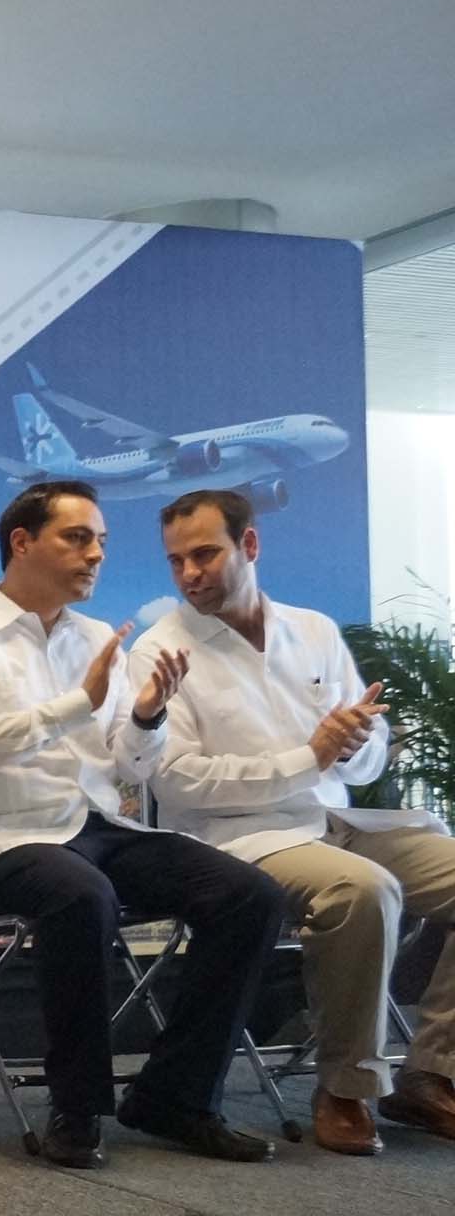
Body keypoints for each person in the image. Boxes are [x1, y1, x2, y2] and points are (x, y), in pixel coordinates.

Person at [0, 478, 287, 1168]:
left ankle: (174, 1094)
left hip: (95, 825)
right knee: (81, 894)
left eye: (102, 543)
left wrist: (146, 714)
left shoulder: (96, 637)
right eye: (78, 538)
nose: (96, 556)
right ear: (22, 543)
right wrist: (74, 705)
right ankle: (77, 1107)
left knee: (251, 895)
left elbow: (132, 767)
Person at [133, 488, 455, 1153]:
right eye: (175, 562)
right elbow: (177, 782)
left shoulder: (313, 630)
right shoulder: (161, 651)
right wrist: (307, 757)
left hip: (337, 817)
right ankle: (347, 1086)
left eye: (204, 554)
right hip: (244, 839)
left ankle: (433, 1075)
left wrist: (353, 738)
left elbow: (360, 765)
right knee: (363, 890)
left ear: (248, 546)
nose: (189, 574)